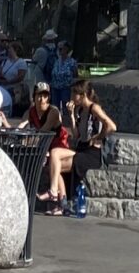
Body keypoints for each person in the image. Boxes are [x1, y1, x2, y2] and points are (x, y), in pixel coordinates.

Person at [68, 83, 118, 213]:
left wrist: (98, 137)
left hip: (94, 152)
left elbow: (112, 126)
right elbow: (76, 135)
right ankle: (63, 198)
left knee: (76, 160)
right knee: (64, 158)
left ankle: (72, 199)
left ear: (83, 95)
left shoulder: (94, 108)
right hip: (82, 147)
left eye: (74, 94)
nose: (72, 97)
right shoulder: (80, 110)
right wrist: (72, 115)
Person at [26, 82, 74, 209]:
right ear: (34, 97)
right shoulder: (31, 111)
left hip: (60, 146)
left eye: (45, 96)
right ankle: (62, 203)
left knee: (51, 162)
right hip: (46, 147)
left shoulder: (53, 111)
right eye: (39, 96)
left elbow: (43, 132)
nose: (42, 99)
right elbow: (22, 125)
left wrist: (29, 141)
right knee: (51, 165)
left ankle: (57, 198)